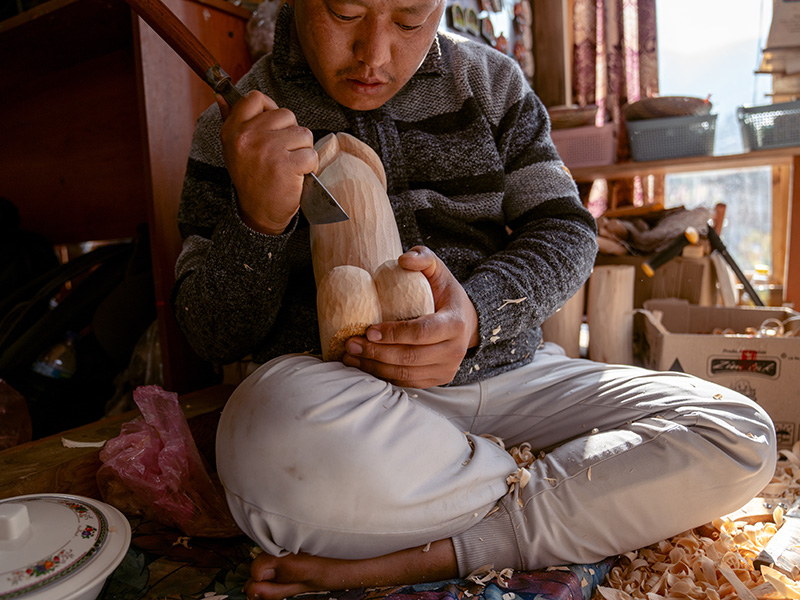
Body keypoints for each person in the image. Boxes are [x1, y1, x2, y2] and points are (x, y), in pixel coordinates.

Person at [173, 1, 777, 599]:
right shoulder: (236, 128)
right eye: (346, 13)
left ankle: (420, 552)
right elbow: (213, 334)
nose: (375, 55)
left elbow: (566, 232)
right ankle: (575, 493)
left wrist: (477, 315)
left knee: (739, 432)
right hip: (353, 417)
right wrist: (256, 221)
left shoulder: (490, 84)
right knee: (259, 435)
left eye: (410, 21)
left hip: (514, 381)